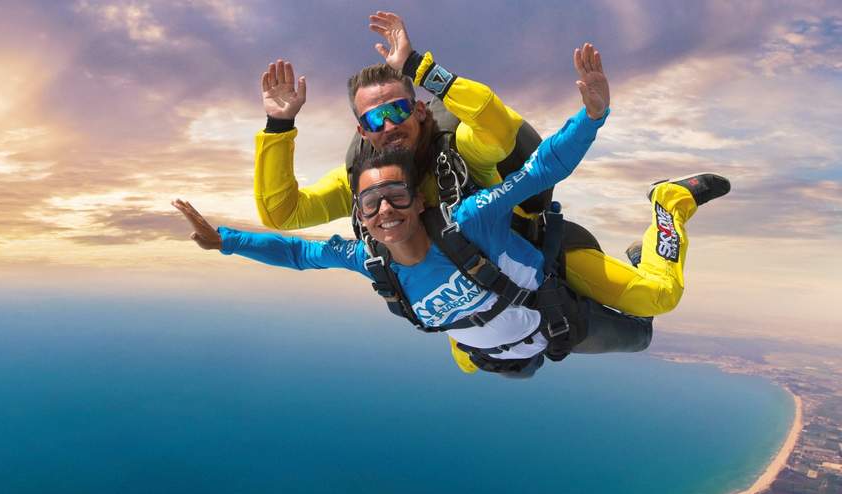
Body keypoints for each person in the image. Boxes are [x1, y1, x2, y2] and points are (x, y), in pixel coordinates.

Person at [176, 43, 729, 378]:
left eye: (399, 109)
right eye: (373, 120)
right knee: (482, 356)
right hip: (473, 299)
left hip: (542, 256)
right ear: (360, 131)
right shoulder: (367, 188)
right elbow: (286, 222)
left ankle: (669, 205)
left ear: (421, 108)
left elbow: (507, 137)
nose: (389, 125)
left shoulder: (458, 150)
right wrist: (278, 126)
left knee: (654, 302)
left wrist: (422, 66)